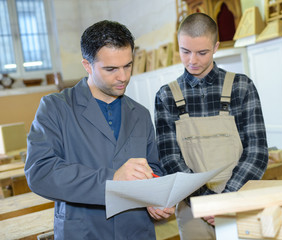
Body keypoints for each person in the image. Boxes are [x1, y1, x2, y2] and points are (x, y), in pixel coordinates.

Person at [25, 20, 174, 240]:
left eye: (128, 65)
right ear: (87, 65)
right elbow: (40, 172)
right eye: (111, 69)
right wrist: (112, 178)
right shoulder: (56, 108)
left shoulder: (140, 113)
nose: (123, 77)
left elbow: (154, 167)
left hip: (136, 231)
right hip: (84, 231)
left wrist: (156, 197)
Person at [155, 13, 268, 240]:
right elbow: (169, 158)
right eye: (185, 51)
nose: (192, 60)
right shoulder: (166, 95)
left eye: (202, 52)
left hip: (240, 199)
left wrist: (226, 199)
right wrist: (206, 202)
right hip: (192, 206)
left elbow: (257, 151)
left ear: (215, 46)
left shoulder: (241, 86)